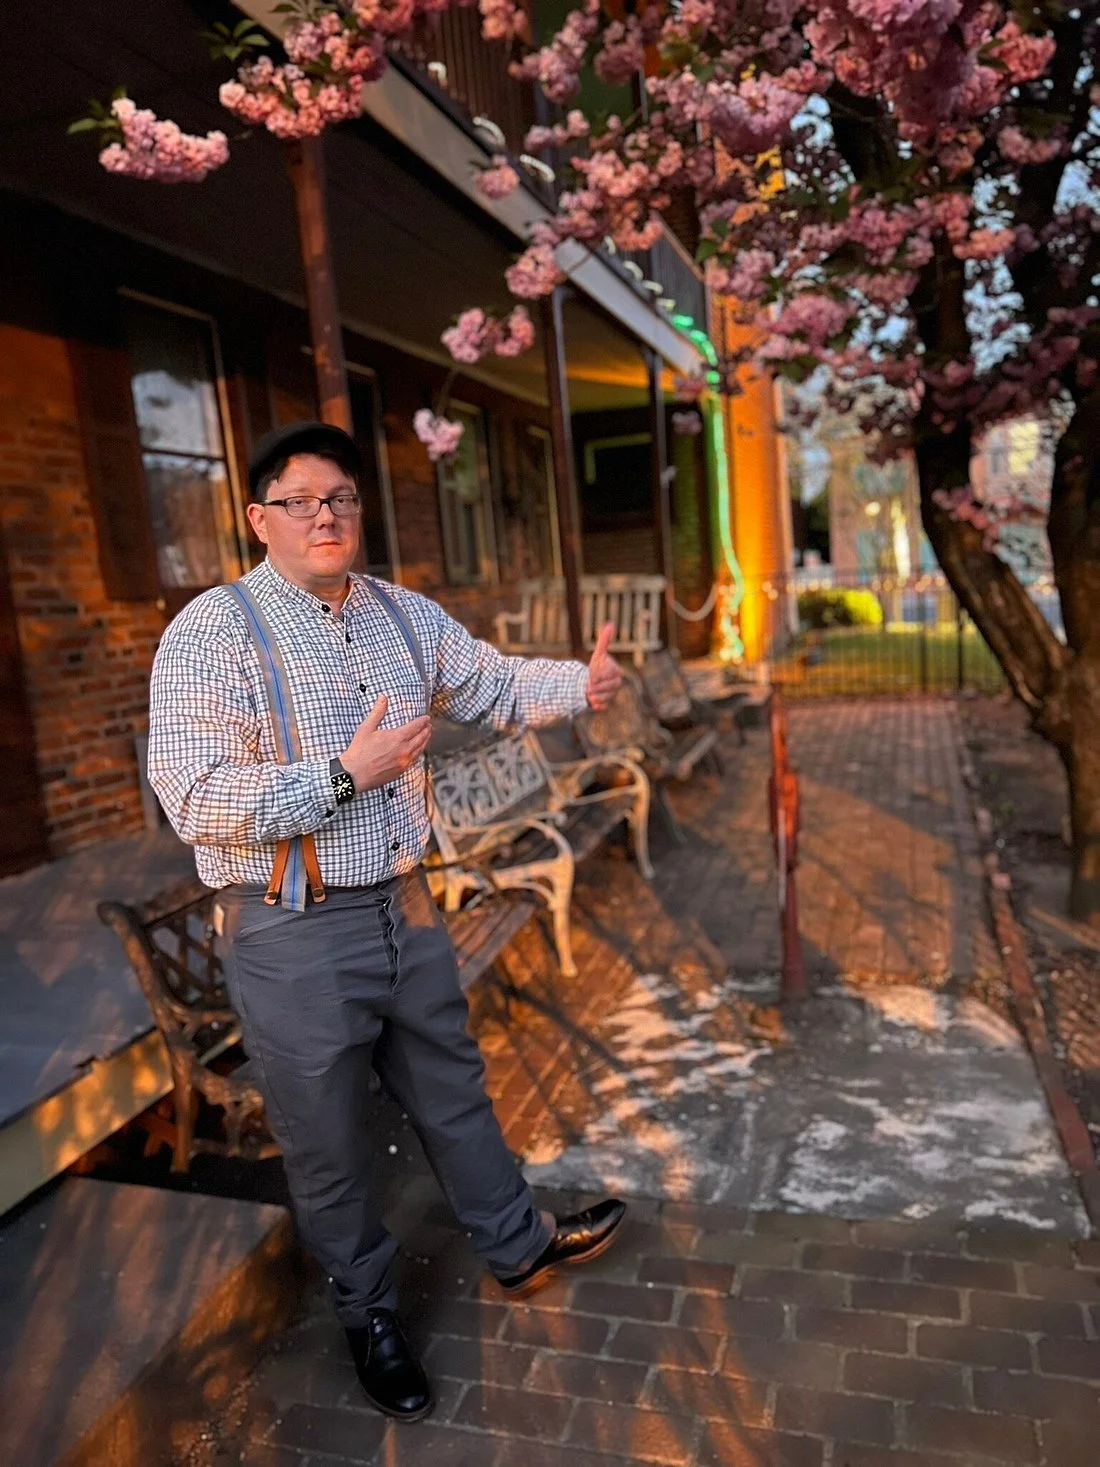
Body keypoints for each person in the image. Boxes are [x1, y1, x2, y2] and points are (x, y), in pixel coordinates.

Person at [147, 421, 627, 1425]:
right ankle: (367, 1318)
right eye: (299, 500)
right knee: (327, 1142)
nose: (324, 515)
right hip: (290, 928)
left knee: (452, 1086)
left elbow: (490, 686)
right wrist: (336, 778)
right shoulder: (213, 630)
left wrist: (577, 685)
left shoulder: (402, 617)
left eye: (341, 499)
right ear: (258, 518)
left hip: (402, 904)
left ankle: (514, 1242)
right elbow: (193, 794)